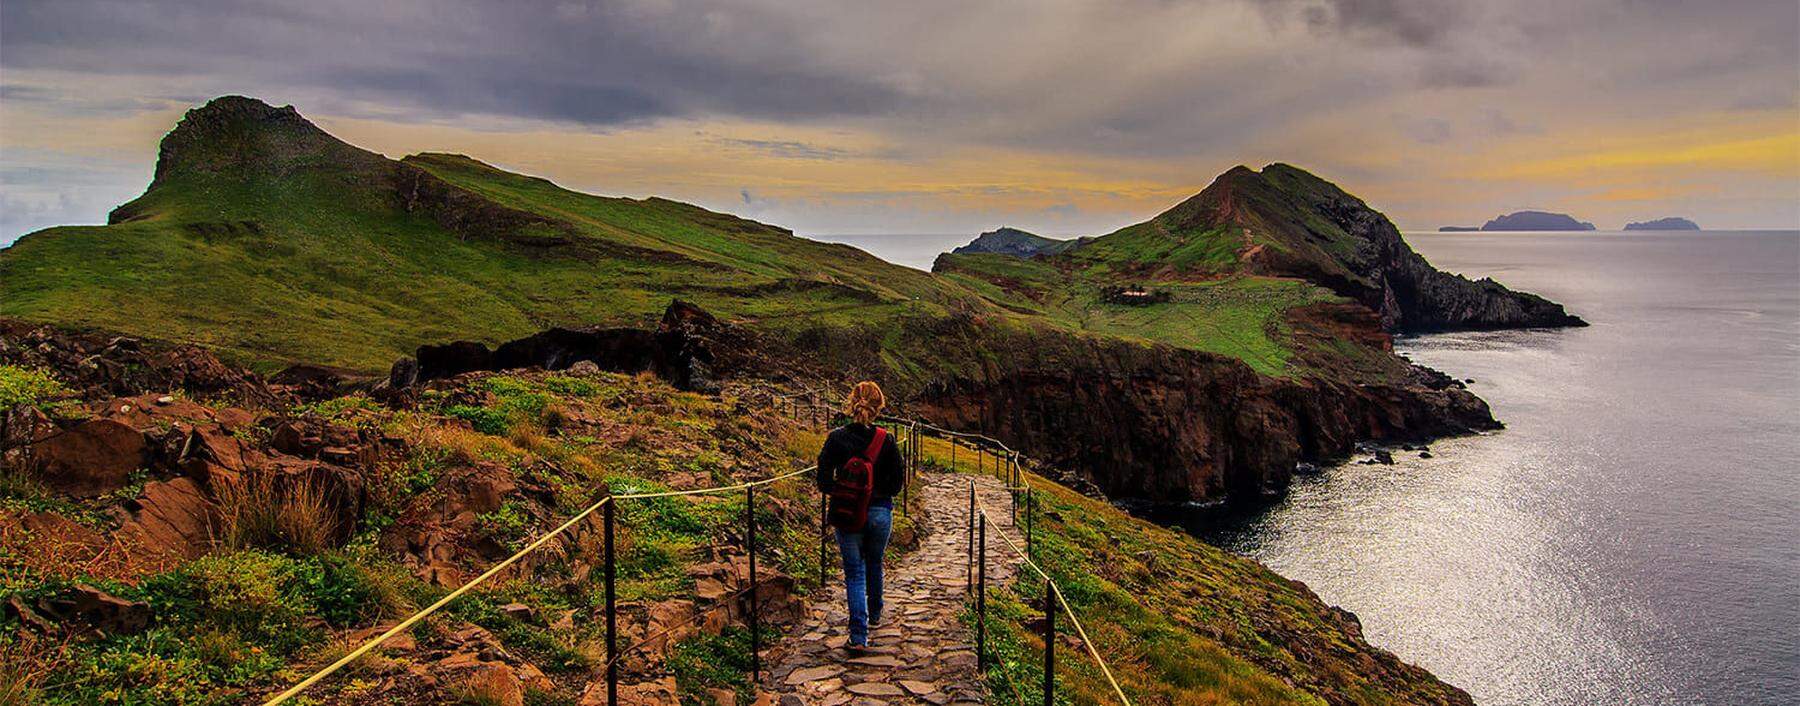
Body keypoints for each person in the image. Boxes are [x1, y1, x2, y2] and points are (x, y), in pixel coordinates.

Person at [815, 381, 905, 651]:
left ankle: (858, 636)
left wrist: (843, 492)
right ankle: (875, 613)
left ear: (851, 403)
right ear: (878, 407)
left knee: (854, 572)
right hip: (879, 512)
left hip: (848, 512)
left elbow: (822, 479)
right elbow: (897, 484)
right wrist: (875, 493)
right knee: (875, 562)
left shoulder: (836, 438)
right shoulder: (886, 440)